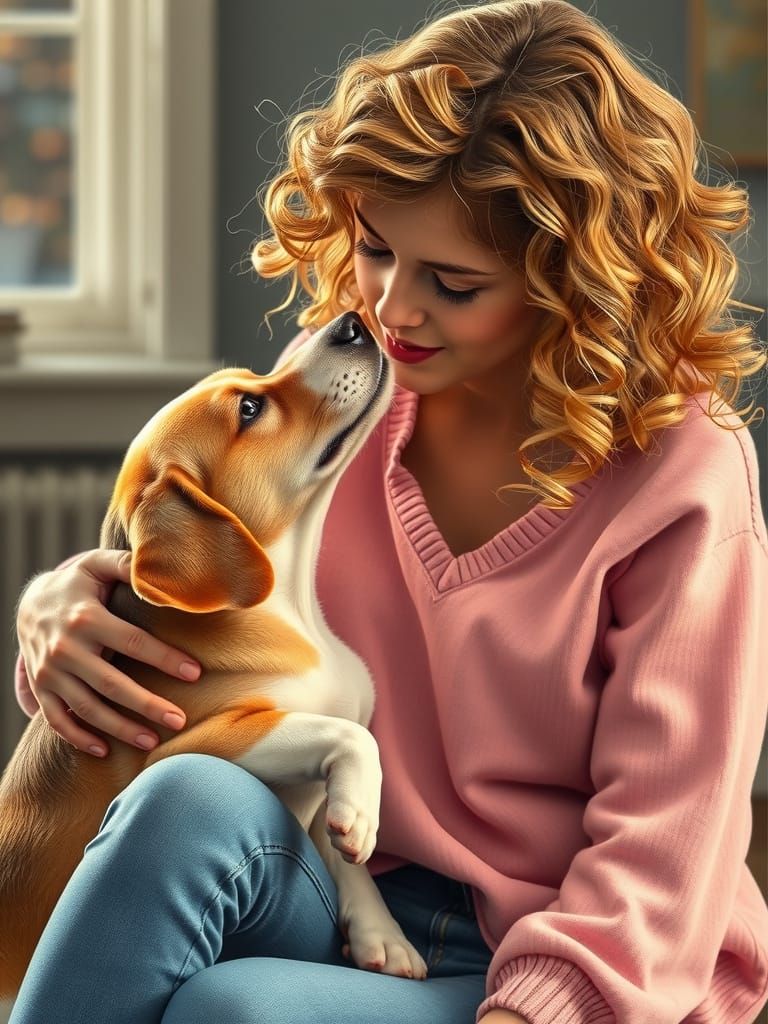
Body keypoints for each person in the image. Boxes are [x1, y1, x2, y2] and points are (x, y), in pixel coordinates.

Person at [9, 0, 768, 1021]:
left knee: (232, 1009)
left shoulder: (682, 468)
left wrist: (536, 1009)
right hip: (345, 887)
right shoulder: (352, 392)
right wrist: (66, 603)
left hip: (559, 950)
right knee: (183, 799)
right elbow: (218, 638)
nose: (392, 308)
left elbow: (669, 837)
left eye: (452, 282)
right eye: (377, 249)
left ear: (573, 279)